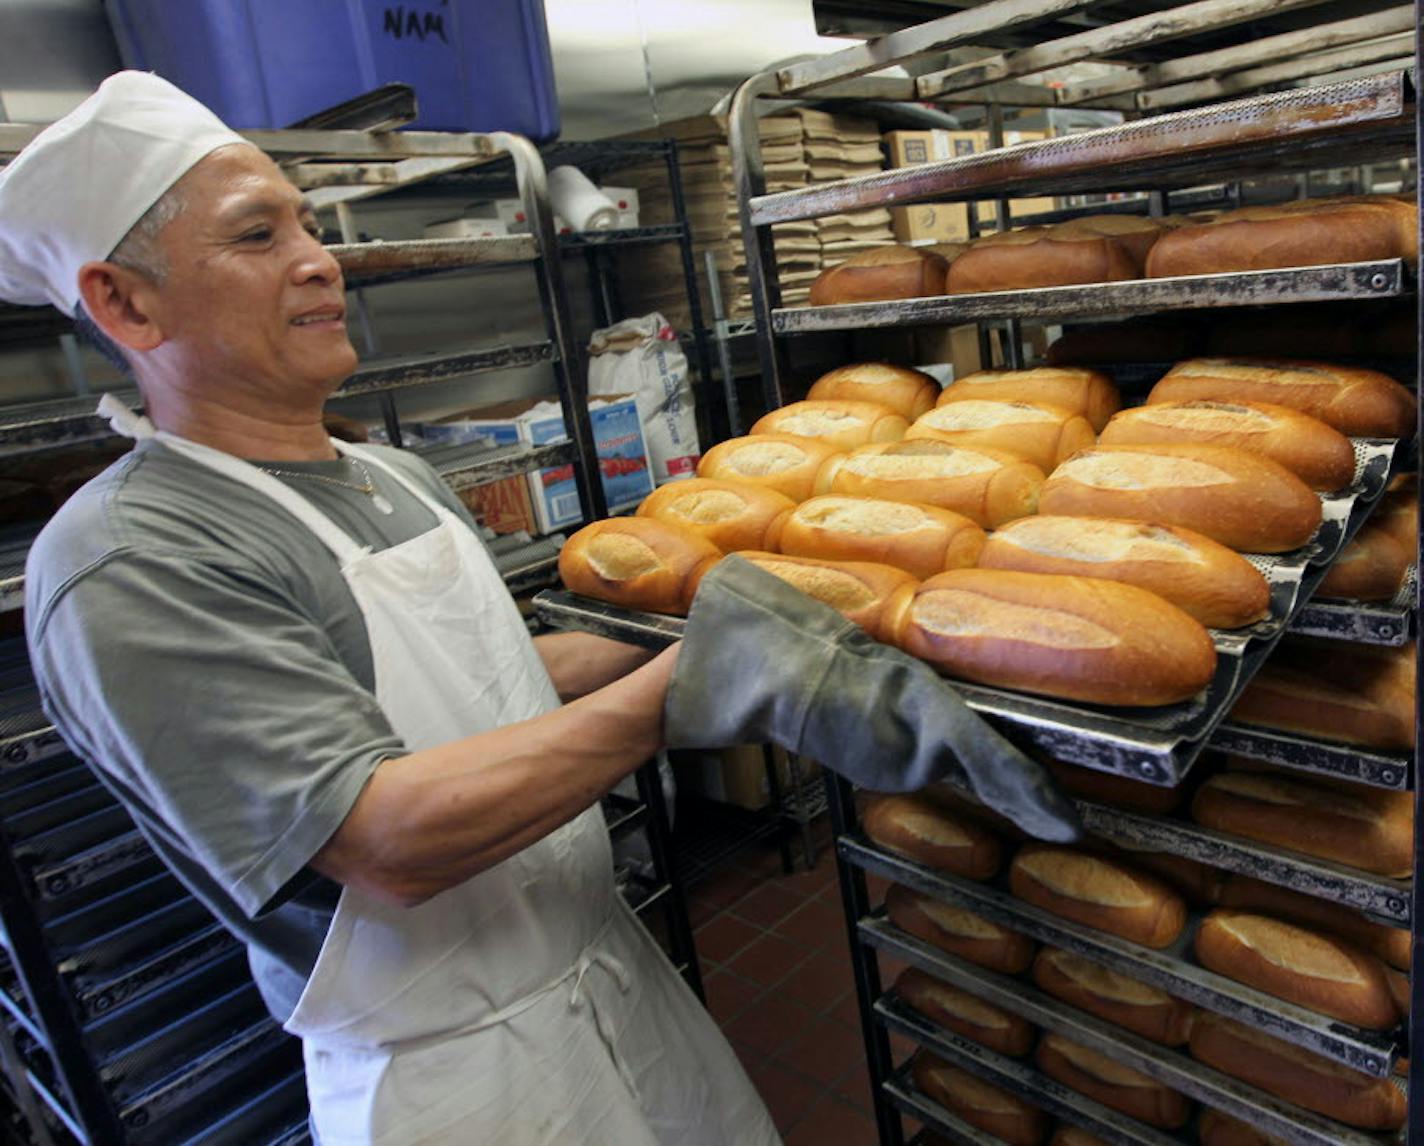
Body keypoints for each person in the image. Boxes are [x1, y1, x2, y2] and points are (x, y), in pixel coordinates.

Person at [2, 72, 1076, 1145]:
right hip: (451, 1080)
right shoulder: (132, 558)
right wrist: (694, 681)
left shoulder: (386, 476)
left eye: (308, 223)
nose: (319, 259)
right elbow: (380, 837)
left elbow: (487, 685)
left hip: (608, 976)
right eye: (256, 236)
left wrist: (688, 630)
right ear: (124, 303)